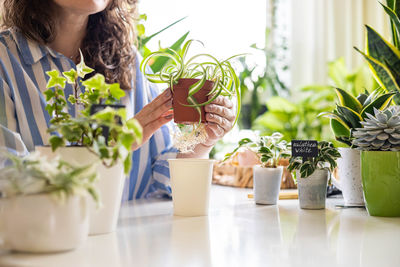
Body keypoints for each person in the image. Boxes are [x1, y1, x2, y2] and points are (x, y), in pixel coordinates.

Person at [0, 0, 236, 200]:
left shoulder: (127, 61)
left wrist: (202, 142)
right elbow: (9, 183)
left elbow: (164, 179)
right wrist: (119, 144)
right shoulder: (5, 62)